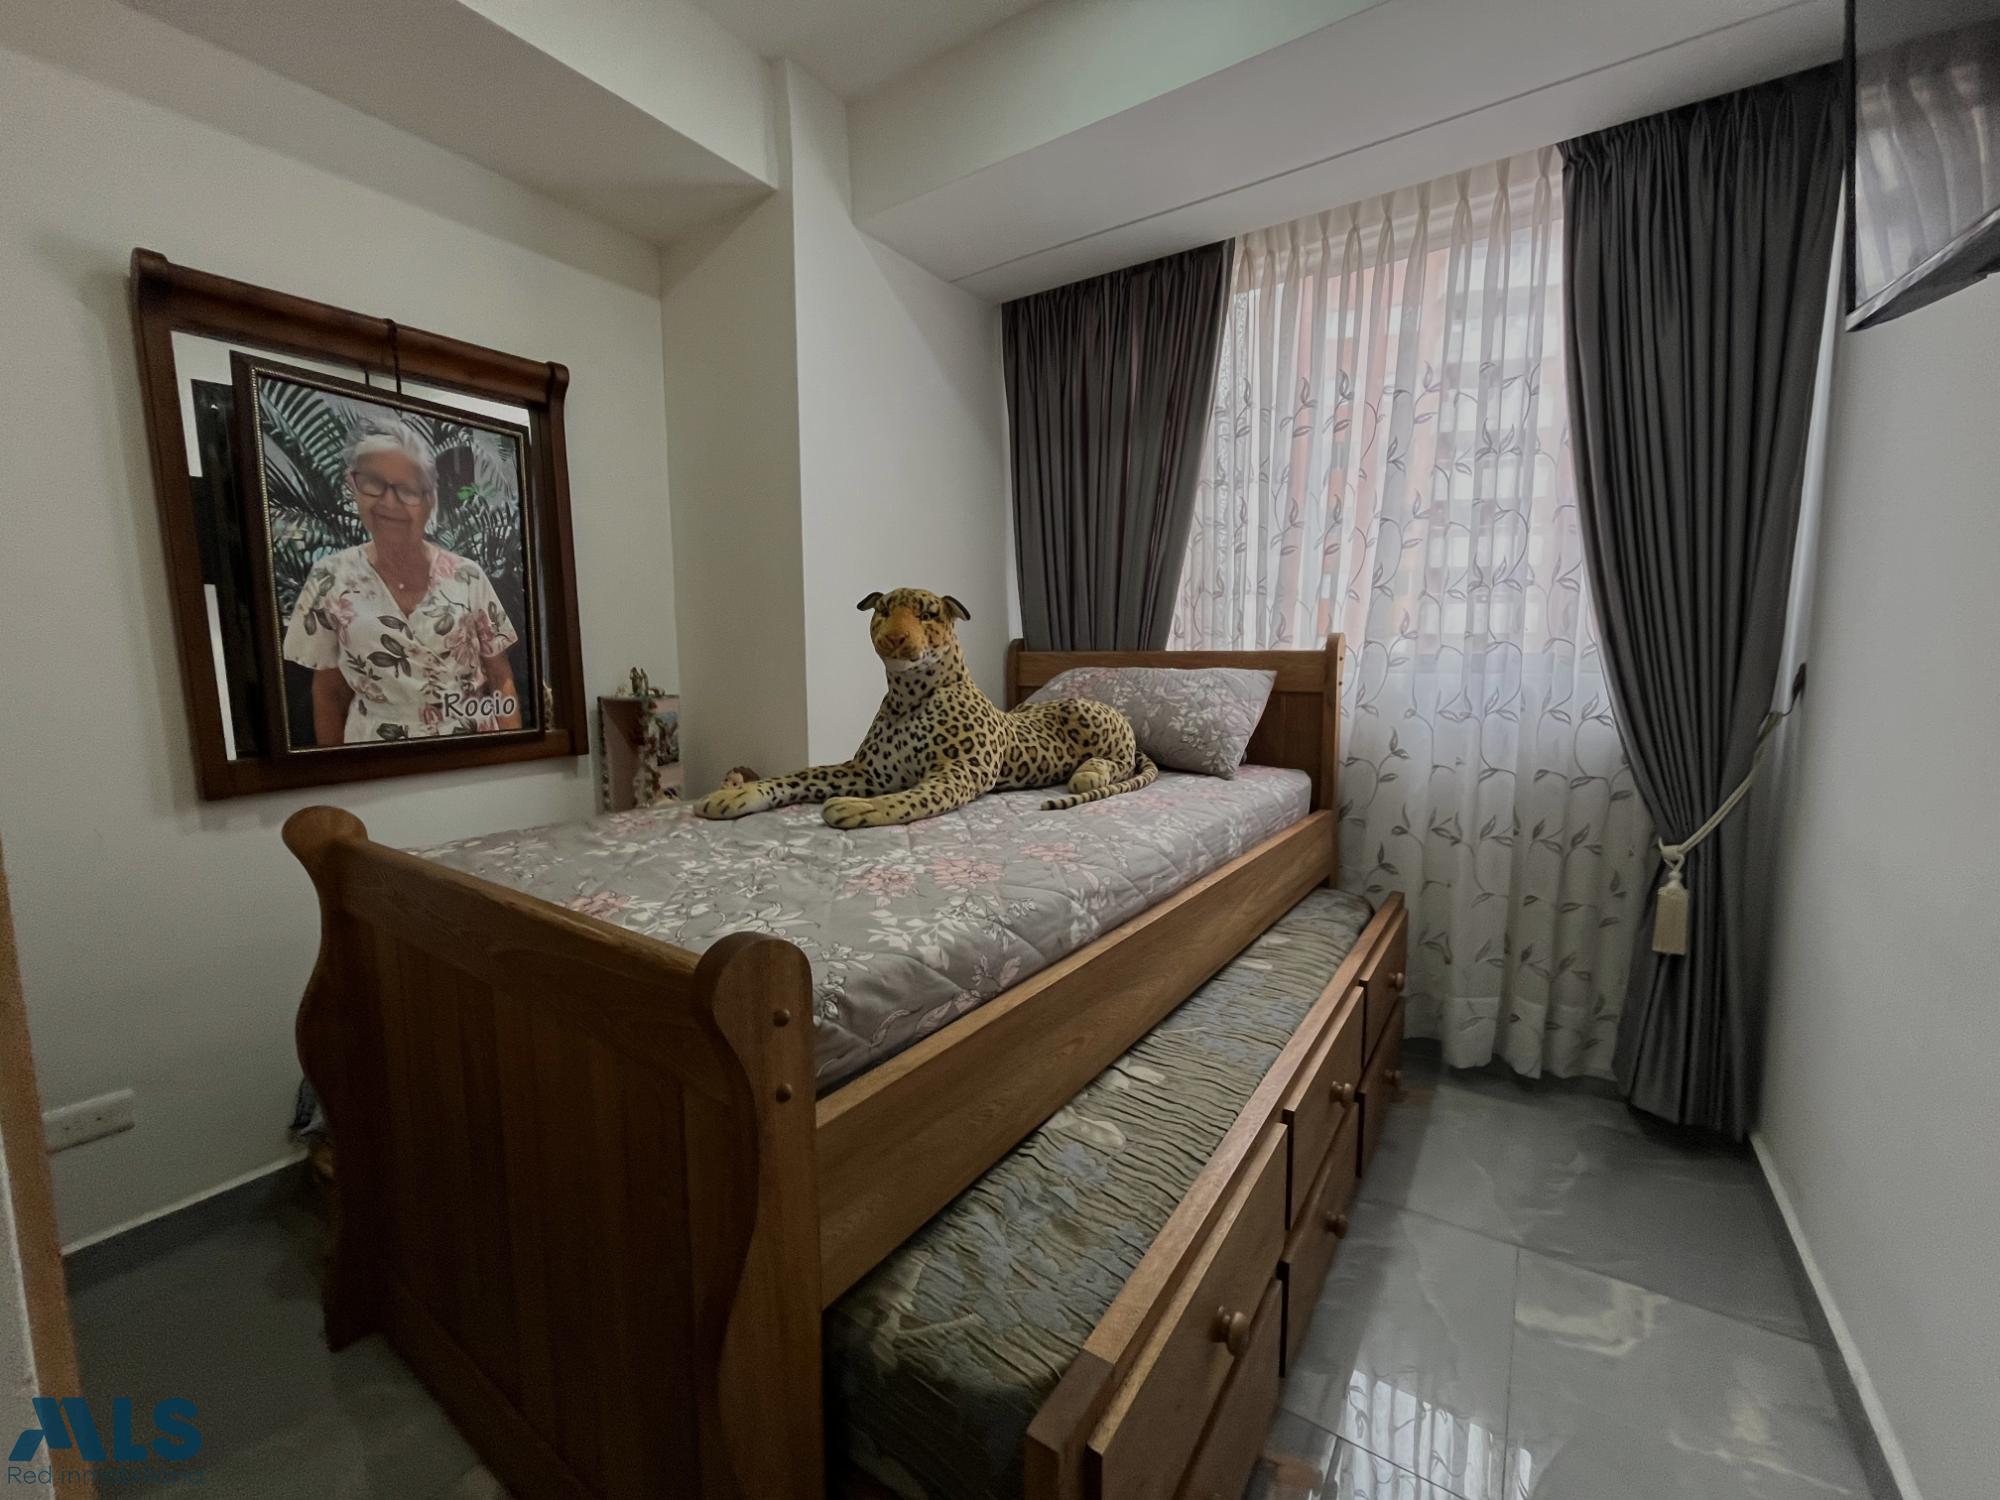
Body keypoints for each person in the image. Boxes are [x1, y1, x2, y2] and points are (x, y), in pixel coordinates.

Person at [281, 419, 524, 745]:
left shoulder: (468, 575)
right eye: (373, 483)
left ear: (429, 500)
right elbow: (329, 692)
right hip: (375, 755)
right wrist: (338, 771)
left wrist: (511, 759)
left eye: (407, 489)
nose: (389, 502)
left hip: (470, 747)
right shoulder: (330, 578)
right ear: (353, 486)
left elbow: (500, 675)